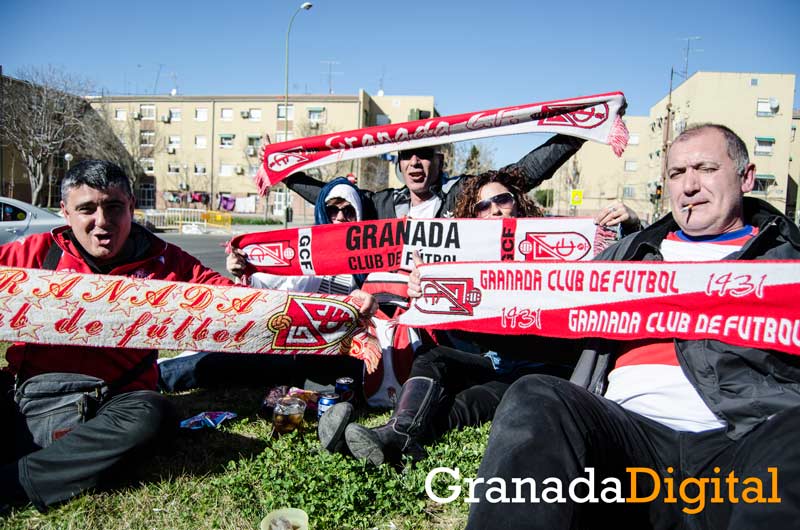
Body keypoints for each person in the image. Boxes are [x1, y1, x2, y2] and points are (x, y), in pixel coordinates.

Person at [466, 124, 800, 529]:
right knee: (536, 395)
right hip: (627, 446)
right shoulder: (628, 254)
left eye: (705, 168)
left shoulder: (786, 261)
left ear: (746, 177)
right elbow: (547, 320)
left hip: (744, 447)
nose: (690, 186)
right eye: (677, 174)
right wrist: (441, 293)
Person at [0, 160, 235, 512]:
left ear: (131, 208)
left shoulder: (166, 263)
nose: (102, 222)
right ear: (65, 212)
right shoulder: (32, 255)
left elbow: (238, 304)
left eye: (113, 207)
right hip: (32, 399)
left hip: (114, 406)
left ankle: (14, 483)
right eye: (87, 209)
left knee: (154, 414)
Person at [318, 169, 581, 465]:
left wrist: (630, 225)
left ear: (517, 201)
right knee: (432, 358)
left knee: (460, 407)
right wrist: (424, 288)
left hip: (531, 372)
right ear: (474, 216)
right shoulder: (465, 259)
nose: (494, 209)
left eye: (502, 200)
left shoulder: (553, 243)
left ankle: (379, 440)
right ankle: (396, 433)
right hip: (490, 360)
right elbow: (456, 326)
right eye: (483, 205)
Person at [158, 176, 377, 392]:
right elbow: (271, 284)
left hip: (333, 354)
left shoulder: (370, 259)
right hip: (286, 346)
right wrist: (243, 268)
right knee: (225, 363)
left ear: (359, 216)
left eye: (348, 211)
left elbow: (381, 304)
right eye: (332, 209)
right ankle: (156, 377)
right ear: (321, 211)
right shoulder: (301, 248)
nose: (339, 217)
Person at [281, 134, 585, 220]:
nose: (415, 162)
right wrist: (284, 174)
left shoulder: (464, 191)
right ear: (399, 166)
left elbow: (523, 173)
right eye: (406, 157)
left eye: (424, 155)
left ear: (439, 162)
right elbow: (329, 196)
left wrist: (576, 134)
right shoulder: (382, 203)